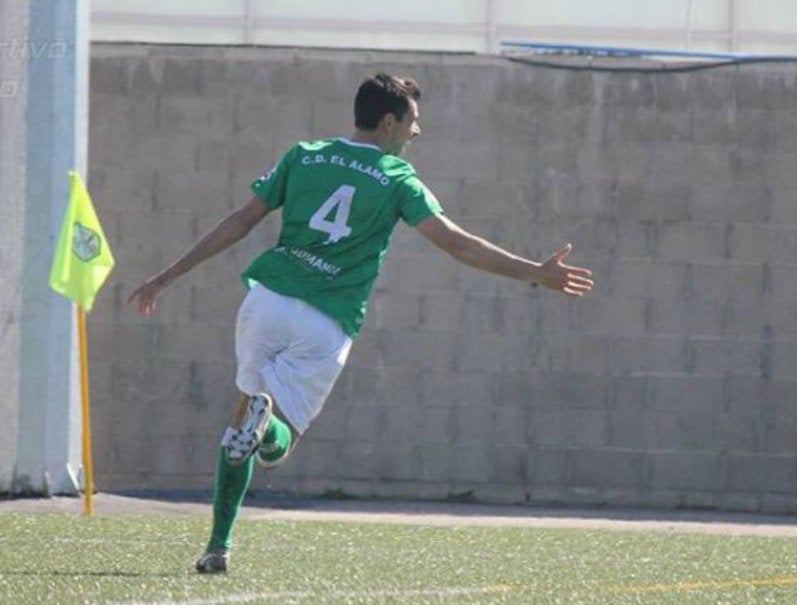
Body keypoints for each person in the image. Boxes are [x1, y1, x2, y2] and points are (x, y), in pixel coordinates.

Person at [128, 73, 594, 574]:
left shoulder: (303, 154)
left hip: (265, 302)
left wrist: (168, 274)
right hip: (325, 321)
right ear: (390, 121)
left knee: (238, 420)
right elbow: (456, 242)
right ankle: (266, 431)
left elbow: (241, 220)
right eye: (414, 121)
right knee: (273, 443)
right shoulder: (397, 178)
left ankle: (218, 546)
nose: (418, 132)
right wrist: (534, 273)